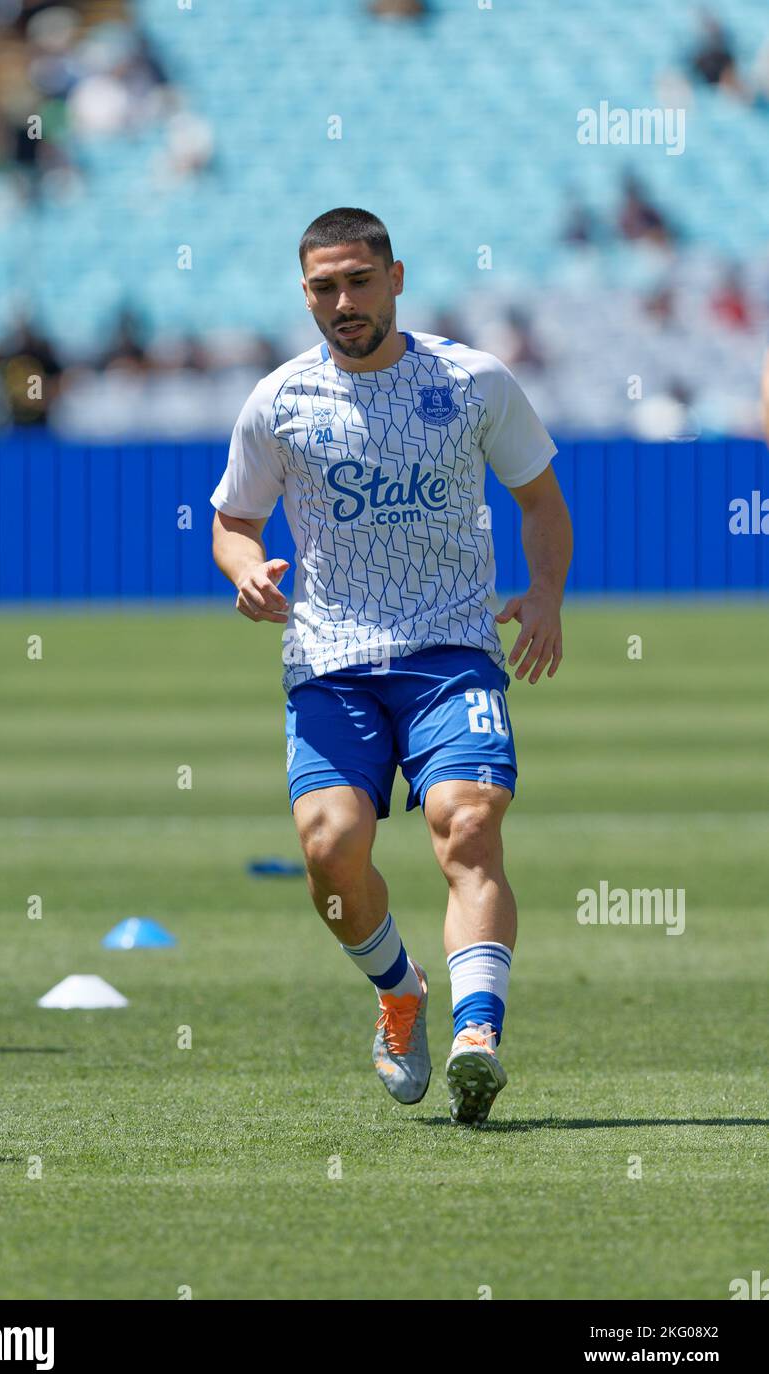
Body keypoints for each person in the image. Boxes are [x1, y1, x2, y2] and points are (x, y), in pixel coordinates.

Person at [210, 208, 572, 1126]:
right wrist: (247, 569)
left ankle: (477, 1037)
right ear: (305, 294)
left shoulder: (473, 380)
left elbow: (539, 499)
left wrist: (545, 595)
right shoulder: (279, 401)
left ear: (396, 278)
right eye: (323, 288)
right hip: (331, 660)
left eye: (358, 282)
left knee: (467, 824)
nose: (342, 302)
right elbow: (233, 519)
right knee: (330, 849)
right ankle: (400, 991)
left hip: (452, 647)